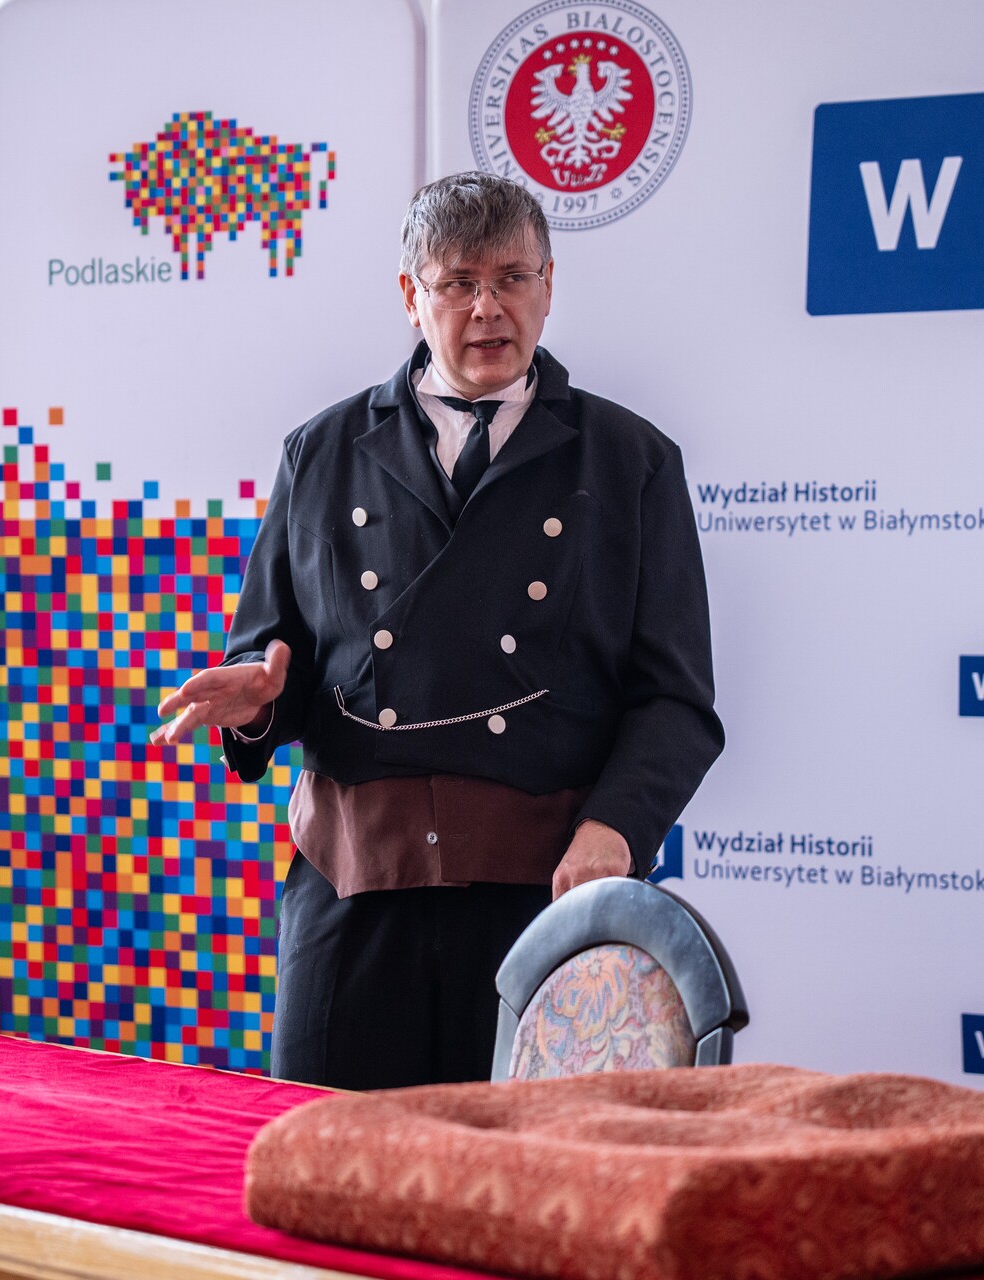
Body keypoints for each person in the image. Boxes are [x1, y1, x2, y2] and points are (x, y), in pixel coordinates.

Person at [152, 172, 721, 1089]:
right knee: (333, 1153)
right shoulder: (322, 452)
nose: (488, 308)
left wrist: (614, 830)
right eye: (458, 283)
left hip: (541, 894)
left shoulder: (631, 461)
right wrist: (258, 701)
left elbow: (676, 702)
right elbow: (274, 658)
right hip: (352, 894)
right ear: (411, 296)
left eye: (512, 278)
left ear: (548, 286)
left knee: (520, 1167)